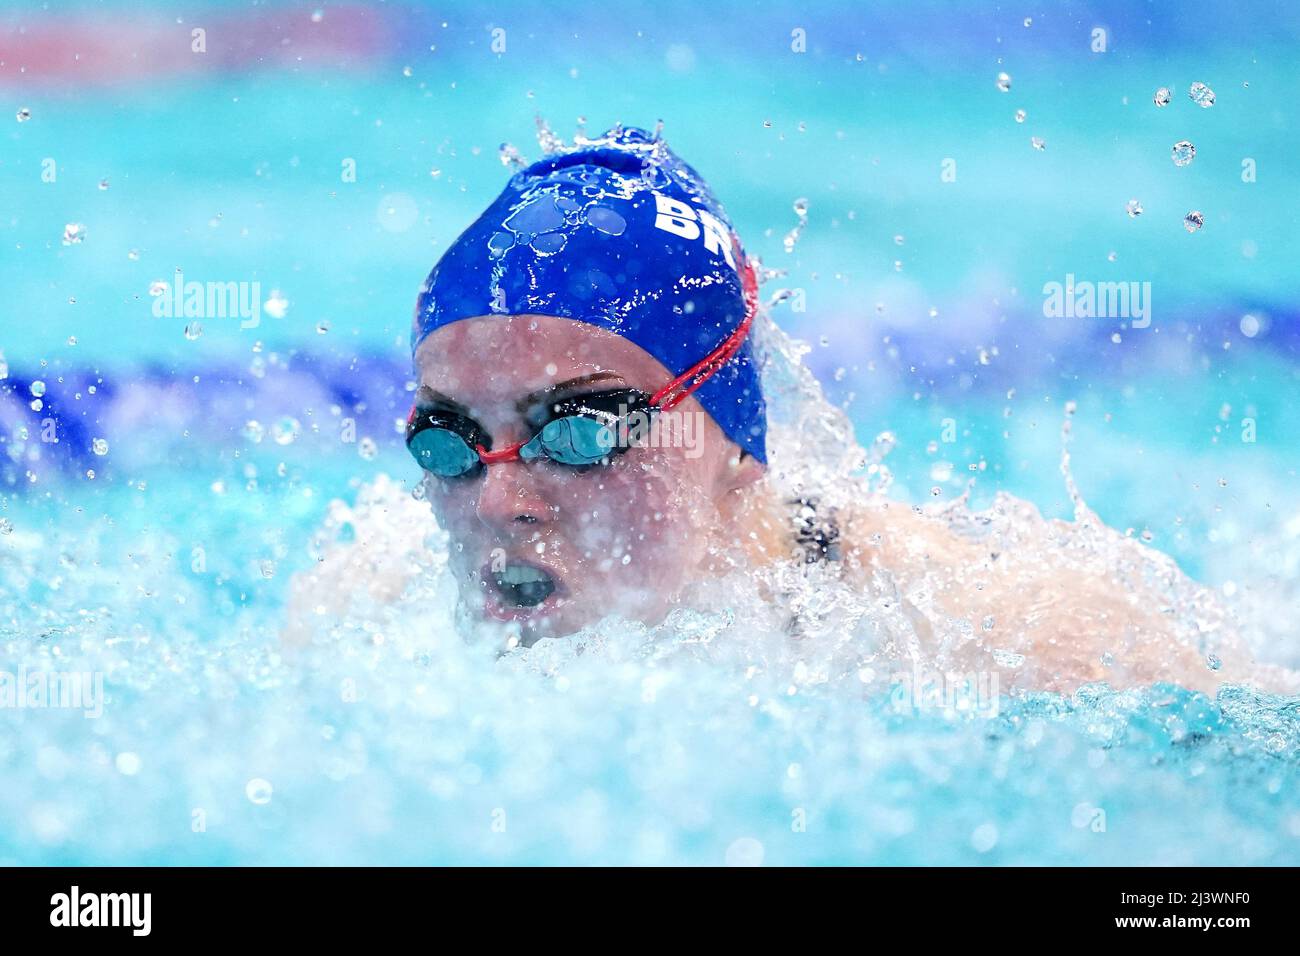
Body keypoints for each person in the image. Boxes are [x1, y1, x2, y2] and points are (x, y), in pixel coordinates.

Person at [290, 126, 1293, 697]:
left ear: (735, 441)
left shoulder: (995, 632)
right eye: (450, 436)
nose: (499, 497)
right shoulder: (358, 617)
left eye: (578, 427)